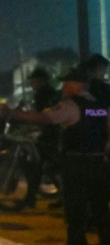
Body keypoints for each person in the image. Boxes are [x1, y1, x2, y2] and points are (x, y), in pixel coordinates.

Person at [0, 64, 110, 245]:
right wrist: (103, 152)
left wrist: (11, 112)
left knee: (75, 218)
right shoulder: (102, 107)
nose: (64, 86)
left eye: (67, 82)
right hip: (97, 165)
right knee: (102, 213)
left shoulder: (70, 105)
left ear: (77, 85)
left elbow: (45, 118)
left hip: (76, 166)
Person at [16, 67, 61, 210]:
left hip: (49, 135)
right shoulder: (49, 92)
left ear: (39, 81)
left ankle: (30, 199)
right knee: (50, 166)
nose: (31, 83)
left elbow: (40, 116)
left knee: (34, 167)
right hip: (52, 134)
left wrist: (27, 122)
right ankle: (62, 195)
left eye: (33, 81)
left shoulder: (43, 93)